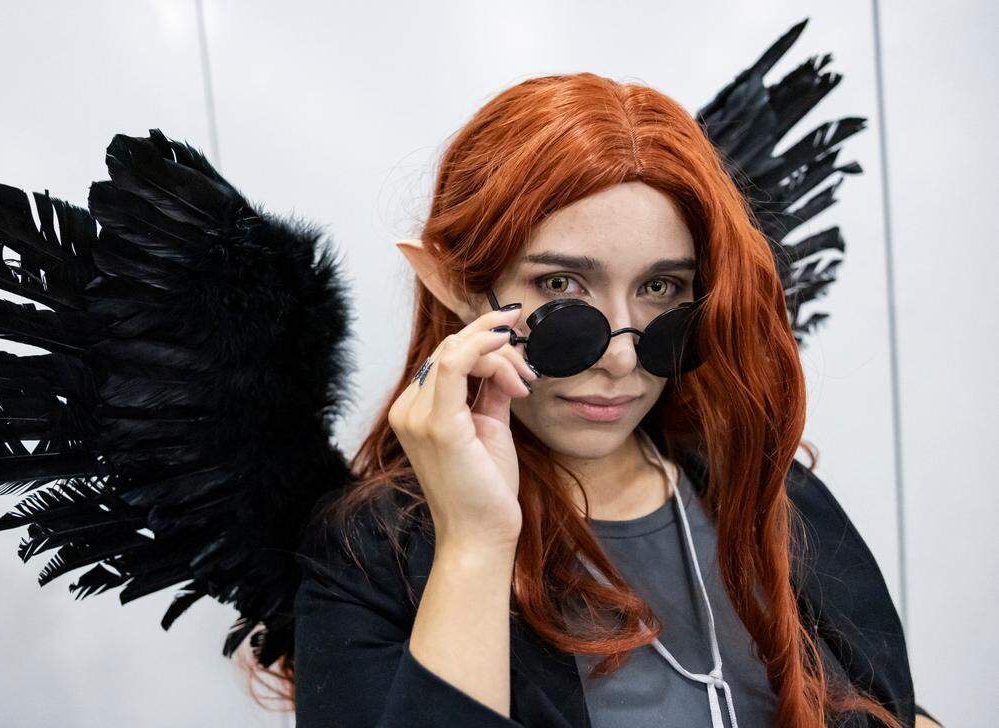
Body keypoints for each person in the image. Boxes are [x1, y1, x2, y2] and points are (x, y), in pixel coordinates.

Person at [291, 74, 941, 727]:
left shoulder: (766, 491)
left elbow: (891, 708)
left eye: (661, 287)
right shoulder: (366, 554)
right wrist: (474, 542)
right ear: (453, 282)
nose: (622, 358)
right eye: (562, 284)